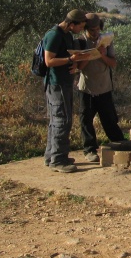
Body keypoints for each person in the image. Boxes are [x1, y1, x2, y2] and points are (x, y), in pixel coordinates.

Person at [43, 9, 88, 172]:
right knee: (62, 120)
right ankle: (58, 160)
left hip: (65, 82)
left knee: (58, 120)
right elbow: (49, 61)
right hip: (57, 84)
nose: (81, 30)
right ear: (71, 24)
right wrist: (70, 59)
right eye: (80, 26)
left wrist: (75, 62)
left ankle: (52, 155)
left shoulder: (67, 35)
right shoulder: (54, 35)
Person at [77, 13, 124, 163]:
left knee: (109, 118)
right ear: (85, 29)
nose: (95, 33)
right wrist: (89, 54)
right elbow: (79, 67)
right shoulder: (80, 41)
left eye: (97, 29)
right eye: (92, 30)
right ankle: (90, 149)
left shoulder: (106, 41)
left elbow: (113, 63)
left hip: (104, 86)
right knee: (86, 119)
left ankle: (120, 144)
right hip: (87, 87)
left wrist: (102, 55)